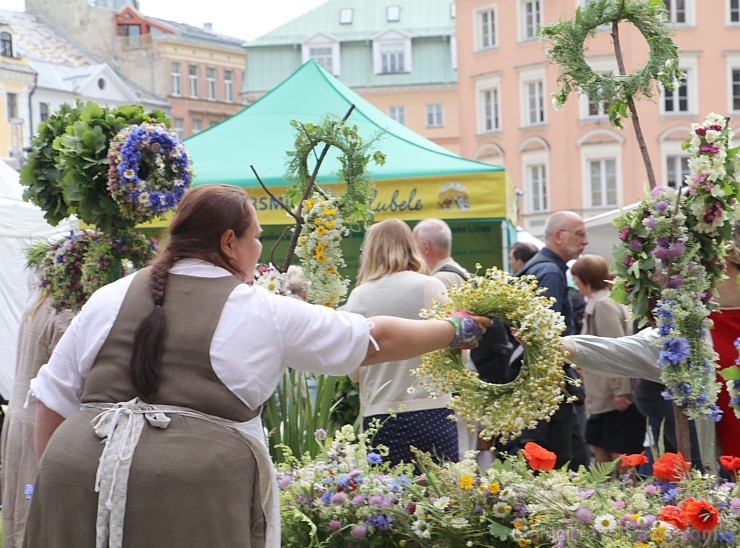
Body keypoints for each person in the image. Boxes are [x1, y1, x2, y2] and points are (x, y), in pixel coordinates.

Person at [24, 185, 489, 548]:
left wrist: (58, 483)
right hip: (189, 493)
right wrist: (455, 329)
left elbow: (50, 402)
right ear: (230, 242)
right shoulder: (258, 308)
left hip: (73, 478)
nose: (259, 250)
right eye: (256, 239)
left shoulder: (110, 295)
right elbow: (374, 337)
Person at [563, 218, 740, 465]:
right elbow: (621, 351)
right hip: (726, 482)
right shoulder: (690, 328)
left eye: (701, 261)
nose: (685, 273)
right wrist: (560, 345)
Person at [342, 218, 458, 466]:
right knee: (442, 500)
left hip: (380, 414)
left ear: (370, 251)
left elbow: (354, 371)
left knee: (386, 500)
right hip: (433, 409)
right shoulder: (432, 286)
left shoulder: (359, 296)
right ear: (411, 245)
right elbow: (457, 352)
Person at [1, 283, 74, 548]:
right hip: (40, 420)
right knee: (32, 502)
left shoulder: (36, 307)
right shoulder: (64, 314)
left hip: (18, 417)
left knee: (17, 502)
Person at [515, 211, 589, 469]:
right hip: (549, 385)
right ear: (558, 236)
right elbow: (547, 336)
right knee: (563, 460)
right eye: (580, 234)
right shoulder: (549, 272)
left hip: (539, 384)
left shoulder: (540, 267)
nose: (586, 241)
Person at [570, 255, 644, 462]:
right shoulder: (603, 301)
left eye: (577, 280)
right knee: (599, 440)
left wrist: (621, 391)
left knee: (617, 446)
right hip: (605, 394)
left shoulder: (603, 305)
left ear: (586, 279)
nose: (576, 285)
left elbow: (615, 350)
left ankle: (624, 491)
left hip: (612, 396)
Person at [412, 218, 468, 286]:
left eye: (414, 246)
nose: (412, 251)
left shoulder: (437, 281)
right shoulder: (466, 275)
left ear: (426, 248)